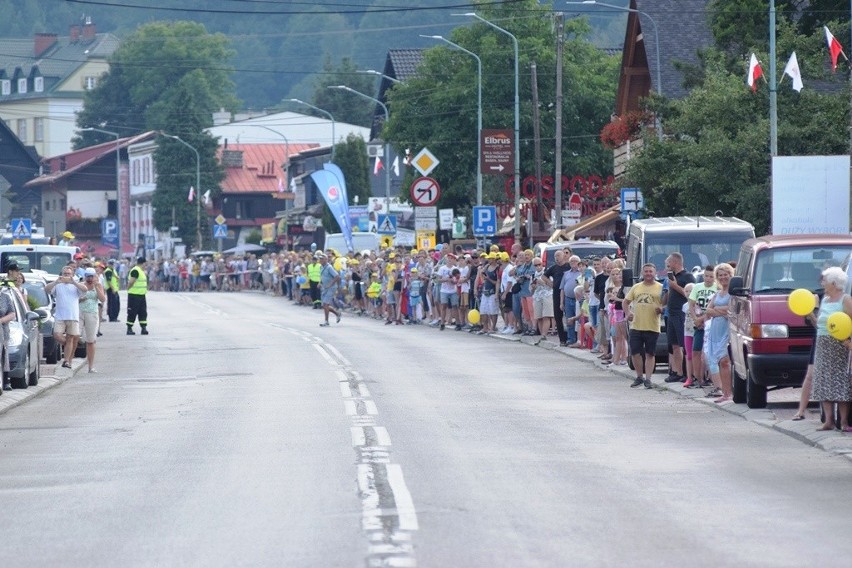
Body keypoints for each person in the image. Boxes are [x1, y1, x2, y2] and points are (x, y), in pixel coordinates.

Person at [811, 266, 852, 431]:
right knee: (823, 380)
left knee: (841, 381)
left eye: (825, 281)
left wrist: (849, 341)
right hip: (823, 343)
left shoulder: (846, 299)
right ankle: (828, 420)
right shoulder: (825, 300)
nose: (823, 284)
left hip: (840, 345)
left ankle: (843, 422)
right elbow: (819, 325)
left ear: (834, 283)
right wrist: (810, 315)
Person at [623, 263, 664, 389]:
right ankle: (639, 376)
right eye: (646, 271)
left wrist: (661, 309)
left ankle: (648, 379)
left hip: (652, 325)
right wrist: (628, 312)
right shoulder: (636, 287)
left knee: (650, 353)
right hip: (636, 325)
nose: (648, 274)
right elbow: (625, 302)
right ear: (642, 273)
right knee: (635, 352)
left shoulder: (661, 287)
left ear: (655, 273)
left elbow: (666, 303)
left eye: (650, 271)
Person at [703, 263, 735, 403]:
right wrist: (722, 311)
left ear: (730, 275)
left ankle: (728, 393)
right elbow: (708, 311)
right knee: (719, 361)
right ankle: (725, 392)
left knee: (724, 361)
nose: (723, 277)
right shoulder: (717, 294)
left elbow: (732, 310)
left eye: (725, 275)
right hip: (715, 332)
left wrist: (717, 310)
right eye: (720, 275)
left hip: (726, 331)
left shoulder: (733, 293)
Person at [45, 265, 87, 369]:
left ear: (72, 275)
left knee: (70, 338)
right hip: (60, 316)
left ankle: (67, 361)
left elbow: (85, 289)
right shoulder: (58, 285)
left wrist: (74, 282)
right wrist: (56, 281)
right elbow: (46, 289)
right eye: (65, 274)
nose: (66, 276)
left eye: (69, 274)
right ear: (62, 274)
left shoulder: (75, 285)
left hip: (72, 316)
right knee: (57, 335)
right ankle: (70, 346)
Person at [663, 252, 695, 382]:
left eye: (669, 263)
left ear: (676, 262)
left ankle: (688, 373)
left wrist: (675, 286)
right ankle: (677, 371)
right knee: (674, 344)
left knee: (684, 344)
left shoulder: (688, 277)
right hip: (671, 313)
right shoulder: (672, 278)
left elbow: (689, 295)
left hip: (682, 314)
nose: (667, 266)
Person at [687, 266, 717, 388]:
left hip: (712, 322)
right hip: (699, 324)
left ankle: (711, 377)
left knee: (710, 352)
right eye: (706, 276)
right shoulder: (697, 287)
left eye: (711, 276)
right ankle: (698, 378)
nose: (708, 279)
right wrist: (695, 319)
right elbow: (691, 304)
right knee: (696, 350)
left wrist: (704, 318)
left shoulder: (717, 288)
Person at [79, 267, 106, 373]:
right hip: (80, 312)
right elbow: (74, 298)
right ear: (85, 276)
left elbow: (102, 299)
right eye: (88, 276)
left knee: (91, 340)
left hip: (92, 313)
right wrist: (81, 299)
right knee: (75, 335)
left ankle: (90, 366)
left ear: (95, 276)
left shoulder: (97, 285)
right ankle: (69, 362)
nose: (90, 279)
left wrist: (96, 286)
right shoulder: (81, 285)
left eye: (92, 276)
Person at [543, 250, 570, 346]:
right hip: (556, 293)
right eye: (555, 256)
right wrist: (549, 283)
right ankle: (562, 339)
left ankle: (570, 338)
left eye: (558, 255)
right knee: (558, 317)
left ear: (564, 256)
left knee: (569, 316)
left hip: (567, 294)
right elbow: (544, 276)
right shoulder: (553, 268)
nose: (557, 258)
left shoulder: (568, 266)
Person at [126, 257, 149, 335]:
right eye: (146, 264)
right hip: (134, 295)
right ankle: (129, 328)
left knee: (143, 312)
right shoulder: (135, 270)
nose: (146, 265)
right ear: (143, 263)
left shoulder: (141, 271)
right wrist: (128, 288)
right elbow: (131, 281)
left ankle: (143, 328)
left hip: (141, 295)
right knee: (132, 312)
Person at [317, 254, 341, 327]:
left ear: (326, 260)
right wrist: (320, 282)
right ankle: (337, 313)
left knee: (326, 304)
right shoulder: (321, 267)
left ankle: (326, 321)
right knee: (324, 305)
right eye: (320, 259)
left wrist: (330, 284)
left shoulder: (329, 267)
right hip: (324, 287)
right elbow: (322, 276)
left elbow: (337, 276)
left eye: (322, 259)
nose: (320, 260)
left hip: (331, 287)